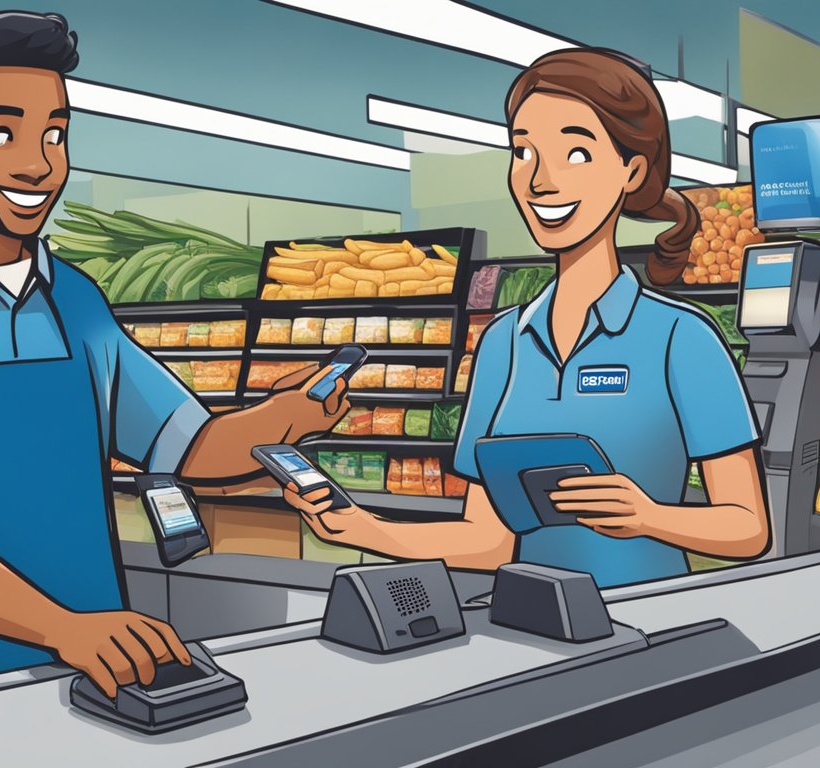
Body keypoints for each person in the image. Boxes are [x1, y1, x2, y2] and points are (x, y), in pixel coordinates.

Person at [0, 12, 348, 692]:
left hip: (107, 669)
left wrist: (284, 419)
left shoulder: (78, 303)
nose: (39, 163)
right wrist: (62, 628)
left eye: (55, 133)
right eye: (2, 132)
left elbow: (188, 444)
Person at [287, 48, 769, 588]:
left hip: (645, 627)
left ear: (631, 171)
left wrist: (648, 516)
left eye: (577, 154)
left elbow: (749, 529)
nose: (539, 179)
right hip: (527, 629)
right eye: (523, 151)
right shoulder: (501, 344)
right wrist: (361, 528)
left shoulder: (683, 339)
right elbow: (487, 541)